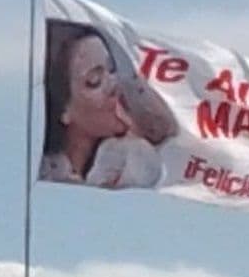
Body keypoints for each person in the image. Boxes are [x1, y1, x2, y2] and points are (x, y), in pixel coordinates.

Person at [39, 22, 176, 189]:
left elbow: (164, 128)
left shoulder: (126, 154)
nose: (113, 83)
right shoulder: (43, 174)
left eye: (111, 69)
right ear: (64, 109)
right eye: (94, 80)